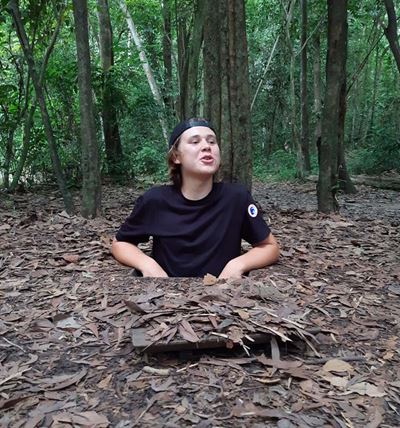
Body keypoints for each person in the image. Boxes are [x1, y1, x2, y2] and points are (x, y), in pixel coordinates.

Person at [111, 118, 279, 278]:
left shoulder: (236, 198)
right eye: (195, 141)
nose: (207, 146)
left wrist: (238, 264)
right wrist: (147, 264)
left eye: (212, 141)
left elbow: (269, 247)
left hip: (224, 300)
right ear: (176, 156)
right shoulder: (155, 200)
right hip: (165, 301)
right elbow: (120, 243)